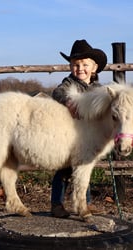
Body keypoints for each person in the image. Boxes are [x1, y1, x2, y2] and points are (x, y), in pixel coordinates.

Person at [50, 39, 107, 218]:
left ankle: (85, 203)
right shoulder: (68, 84)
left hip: (89, 138)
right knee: (64, 169)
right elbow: (57, 93)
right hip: (69, 135)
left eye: (84, 64)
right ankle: (57, 204)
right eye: (76, 65)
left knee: (85, 168)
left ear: (94, 67)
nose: (80, 68)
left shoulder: (99, 89)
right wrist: (68, 101)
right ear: (70, 66)